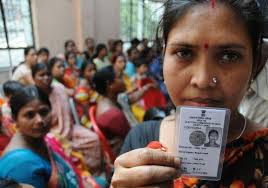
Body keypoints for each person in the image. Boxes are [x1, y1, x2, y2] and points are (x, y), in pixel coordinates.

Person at [111, 0, 268, 187]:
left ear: (256, 64)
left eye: (229, 56)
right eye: (184, 53)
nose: (202, 80)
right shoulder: (140, 139)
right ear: (164, 56)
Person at [0, 86, 86, 187]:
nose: (39, 120)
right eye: (30, 115)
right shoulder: (20, 165)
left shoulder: (44, 139)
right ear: (15, 119)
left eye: (44, 112)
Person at [32, 63, 102, 177]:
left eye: (48, 74)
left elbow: (75, 93)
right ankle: (75, 175)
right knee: (60, 149)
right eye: (41, 75)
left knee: (94, 139)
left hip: (70, 128)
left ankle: (92, 173)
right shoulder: (33, 96)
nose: (46, 78)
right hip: (50, 133)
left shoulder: (58, 88)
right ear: (33, 78)